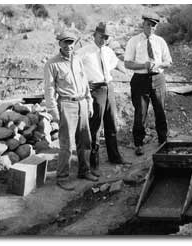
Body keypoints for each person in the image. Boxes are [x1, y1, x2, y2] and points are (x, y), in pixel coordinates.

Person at [44, 30, 98, 191]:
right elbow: (49, 89)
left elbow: (85, 82)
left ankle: (84, 171)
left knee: (85, 140)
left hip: (82, 103)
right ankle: (62, 177)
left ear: (75, 44)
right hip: (66, 105)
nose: (69, 46)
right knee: (67, 144)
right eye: (65, 42)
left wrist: (89, 101)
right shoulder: (52, 64)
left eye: (71, 42)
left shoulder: (78, 60)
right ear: (59, 43)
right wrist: (53, 110)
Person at [77, 22, 130, 176]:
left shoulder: (108, 51)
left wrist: (128, 72)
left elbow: (115, 64)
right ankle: (94, 164)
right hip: (95, 90)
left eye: (106, 37)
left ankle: (115, 157)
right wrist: (85, 84)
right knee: (94, 127)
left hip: (109, 88)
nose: (103, 40)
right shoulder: (84, 52)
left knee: (111, 124)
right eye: (101, 36)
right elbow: (74, 68)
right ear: (95, 35)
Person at [124, 13, 172, 156]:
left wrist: (158, 64)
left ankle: (163, 140)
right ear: (143, 25)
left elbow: (168, 62)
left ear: (156, 27)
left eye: (153, 25)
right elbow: (127, 63)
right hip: (140, 79)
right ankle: (139, 143)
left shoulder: (160, 41)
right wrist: (143, 65)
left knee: (160, 111)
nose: (150, 27)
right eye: (148, 24)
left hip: (158, 78)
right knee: (140, 113)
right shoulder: (134, 41)